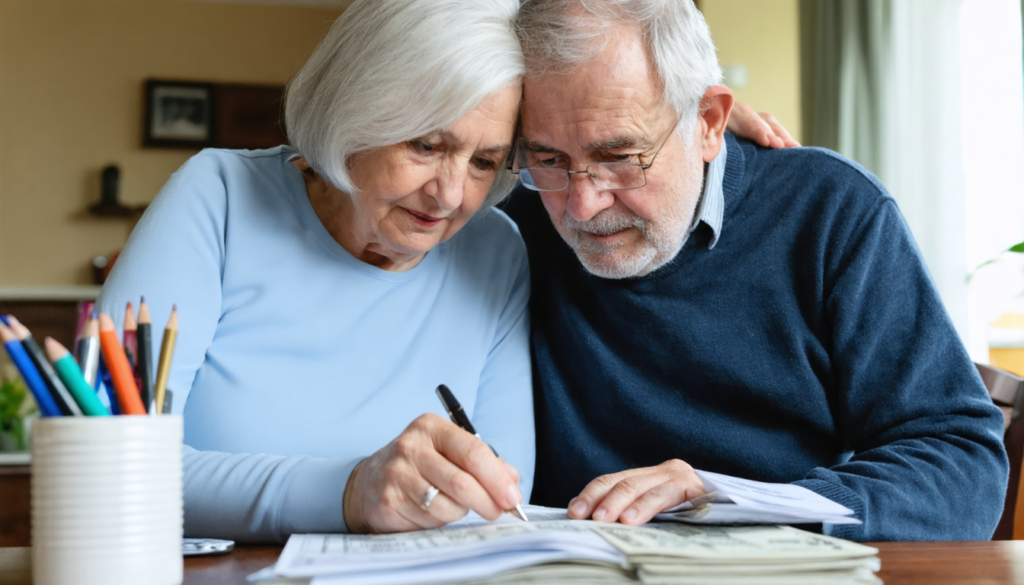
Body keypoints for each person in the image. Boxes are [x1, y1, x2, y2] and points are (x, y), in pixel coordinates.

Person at [97, 0, 794, 542]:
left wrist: (683, 127)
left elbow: (499, 503)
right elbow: (104, 464)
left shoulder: (496, 245)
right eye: (427, 144)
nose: (451, 195)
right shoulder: (216, 199)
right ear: (355, 110)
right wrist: (348, 491)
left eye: (487, 160)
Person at [503, 0, 1008, 542]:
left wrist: (748, 506)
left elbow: (962, 466)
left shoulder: (831, 212)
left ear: (709, 122)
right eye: (550, 160)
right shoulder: (505, 227)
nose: (581, 206)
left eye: (621, 156)